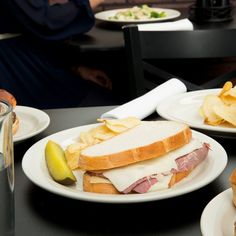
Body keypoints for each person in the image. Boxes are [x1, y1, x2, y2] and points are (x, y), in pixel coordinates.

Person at [0, 0, 119, 109]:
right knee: (103, 104)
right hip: (15, 69)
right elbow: (46, 21)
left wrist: (75, 68)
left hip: (29, 59)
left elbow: (30, 24)